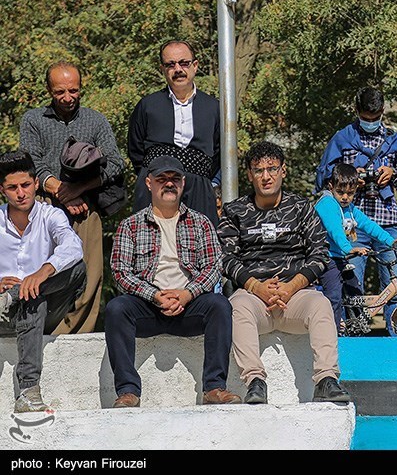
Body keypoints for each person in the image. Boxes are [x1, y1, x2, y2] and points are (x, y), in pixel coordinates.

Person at [218, 141, 350, 405]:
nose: (265, 176)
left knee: (321, 305)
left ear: (283, 171)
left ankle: (326, 380)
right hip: (254, 298)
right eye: (258, 170)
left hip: (296, 297)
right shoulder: (235, 211)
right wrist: (257, 287)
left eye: (272, 169)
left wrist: (291, 288)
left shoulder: (302, 209)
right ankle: (255, 382)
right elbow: (226, 258)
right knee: (236, 307)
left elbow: (320, 254)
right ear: (249, 174)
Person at [105, 155, 240, 408]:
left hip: (189, 307)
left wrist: (187, 294)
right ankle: (127, 391)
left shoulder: (201, 223)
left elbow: (213, 267)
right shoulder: (130, 226)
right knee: (116, 308)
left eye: (174, 179)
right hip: (147, 307)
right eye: (161, 179)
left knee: (220, 305)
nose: (169, 184)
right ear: (148, 183)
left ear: (183, 183)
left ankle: (214, 387)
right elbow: (121, 273)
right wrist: (155, 295)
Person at [19, 61, 126, 334]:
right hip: (44, 206)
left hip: (86, 208)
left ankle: (77, 337)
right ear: (49, 90)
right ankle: (40, 333)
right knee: (42, 273)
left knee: (91, 276)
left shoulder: (96, 120)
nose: (67, 98)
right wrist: (61, 192)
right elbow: (32, 164)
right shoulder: (33, 120)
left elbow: (116, 163)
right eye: (60, 92)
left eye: (73, 91)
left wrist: (79, 189)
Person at [314, 87, 397, 335]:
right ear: (357, 112)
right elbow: (324, 178)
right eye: (366, 117)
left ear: (383, 112)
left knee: (393, 284)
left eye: (376, 117)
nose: (371, 122)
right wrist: (351, 177)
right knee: (352, 287)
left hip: (387, 221)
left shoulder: (395, 141)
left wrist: (394, 176)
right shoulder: (342, 139)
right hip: (351, 223)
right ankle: (351, 337)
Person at [0, 150, 86, 412]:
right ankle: (28, 393)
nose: (21, 193)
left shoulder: (51, 215)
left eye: (25, 185)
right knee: (32, 299)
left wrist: (43, 271)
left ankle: (15, 295)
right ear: (2, 190)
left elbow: (73, 246)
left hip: (46, 306)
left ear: (36, 184)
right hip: (5, 317)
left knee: (75, 271)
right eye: (12, 187)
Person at [127, 40, 221, 225]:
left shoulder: (214, 107)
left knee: (202, 246)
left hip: (198, 189)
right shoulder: (147, 106)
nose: (178, 69)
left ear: (195, 65)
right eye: (171, 64)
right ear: (163, 69)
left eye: (183, 63)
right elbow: (135, 150)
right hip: (155, 187)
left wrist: (203, 181)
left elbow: (218, 151)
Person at [315, 162, 397, 335]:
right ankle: (332, 336)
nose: (345, 197)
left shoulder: (349, 208)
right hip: (326, 258)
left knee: (355, 293)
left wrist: (391, 242)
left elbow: (369, 225)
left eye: (350, 193)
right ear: (331, 186)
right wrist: (349, 249)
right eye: (340, 192)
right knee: (334, 296)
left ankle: (354, 330)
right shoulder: (327, 204)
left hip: (340, 259)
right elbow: (335, 231)